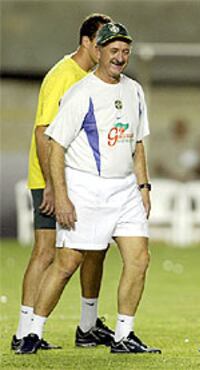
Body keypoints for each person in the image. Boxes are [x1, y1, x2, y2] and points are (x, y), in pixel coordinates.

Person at [16, 22, 161, 355]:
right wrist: (62, 194)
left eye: (125, 52)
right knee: (67, 262)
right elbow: (54, 144)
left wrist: (143, 186)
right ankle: (32, 332)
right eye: (114, 51)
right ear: (99, 51)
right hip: (86, 187)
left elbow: (137, 142)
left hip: (125, 189)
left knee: (139, 258)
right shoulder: (81, 92)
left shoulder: (135, 90)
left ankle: (124, 336)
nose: (120, 58)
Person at [12, 13, 115, 352]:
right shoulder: (63, 75)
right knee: (46, 253)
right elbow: (44, 131)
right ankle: (25, 332)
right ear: (86, 43)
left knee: (93, 250)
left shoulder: (89, 77)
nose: (106, 49)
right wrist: (52, 187)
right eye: (101, 42)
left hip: (78, 182)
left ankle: (87, 325)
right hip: (52, 180)